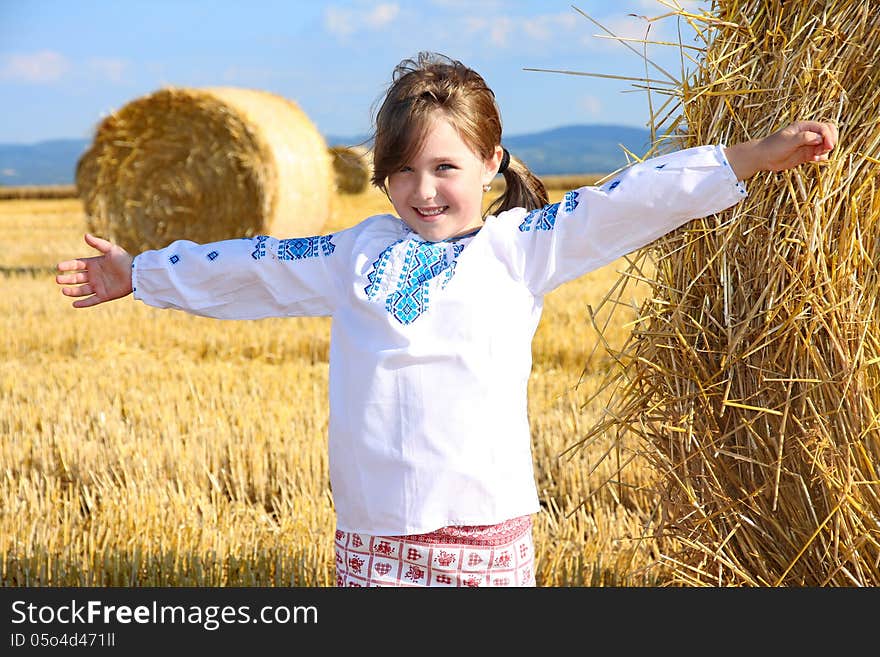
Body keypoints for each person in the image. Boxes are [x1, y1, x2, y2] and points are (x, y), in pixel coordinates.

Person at [56, 52, 838, 587]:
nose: (422, 190)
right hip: (371, 539)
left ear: (492, 162)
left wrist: (746, 157)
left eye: (444, 168)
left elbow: (626, 202)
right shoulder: (355, 251)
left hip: (482, 533)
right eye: (402, 172)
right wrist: (141, 272)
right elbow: (255, 266)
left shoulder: (520, 246)